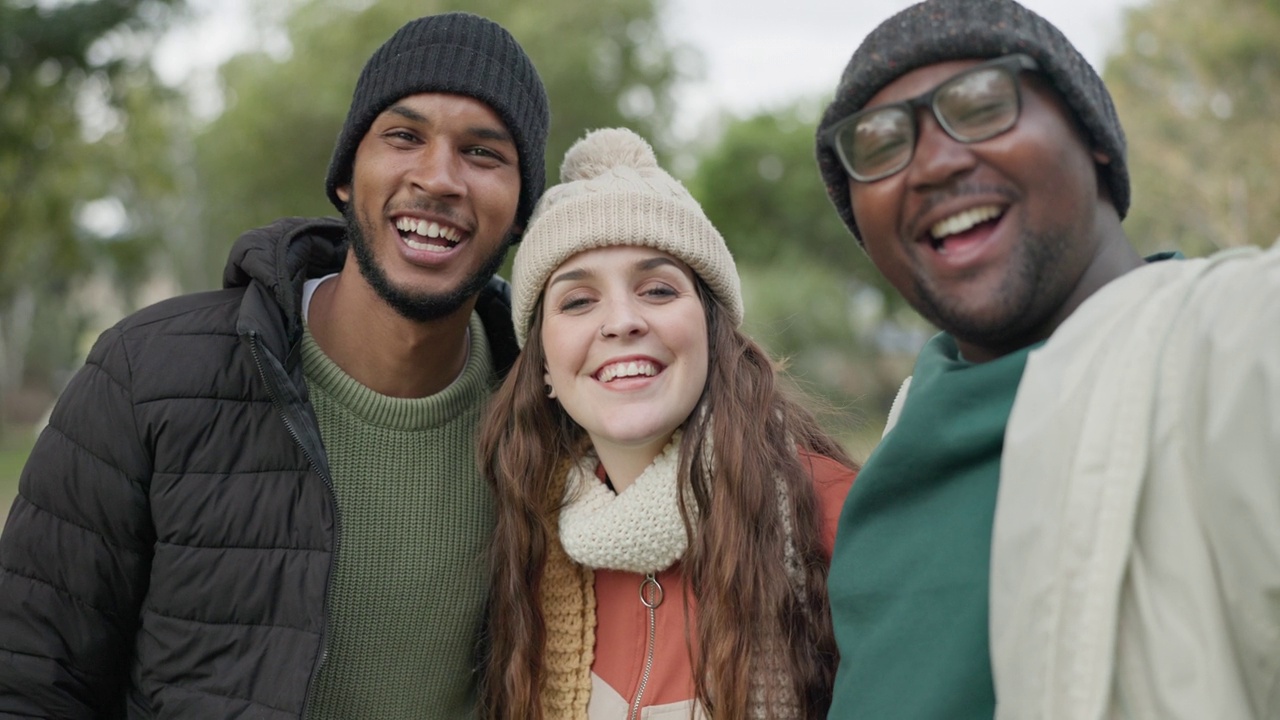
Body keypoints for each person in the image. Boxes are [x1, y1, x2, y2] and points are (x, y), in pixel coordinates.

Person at [0, 12, 549, 718]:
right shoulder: (147, 376)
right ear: (347, 176)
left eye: (483, 153)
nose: (438, 178)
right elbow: (28, 683)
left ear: (522, 212)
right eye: (404, 136)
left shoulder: (550, 415)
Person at [813, 0, 1280, 718]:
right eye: (878, 145)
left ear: (1091, 137)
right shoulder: (908, 429)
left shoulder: (1225, 341)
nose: (934, 162)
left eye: (981, 104)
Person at [476, 127, 858, 719]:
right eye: (578, 301)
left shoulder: (836, 520)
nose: (622, 321)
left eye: (657, 289)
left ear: (713, 331)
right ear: (543, 367)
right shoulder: (529, 538)